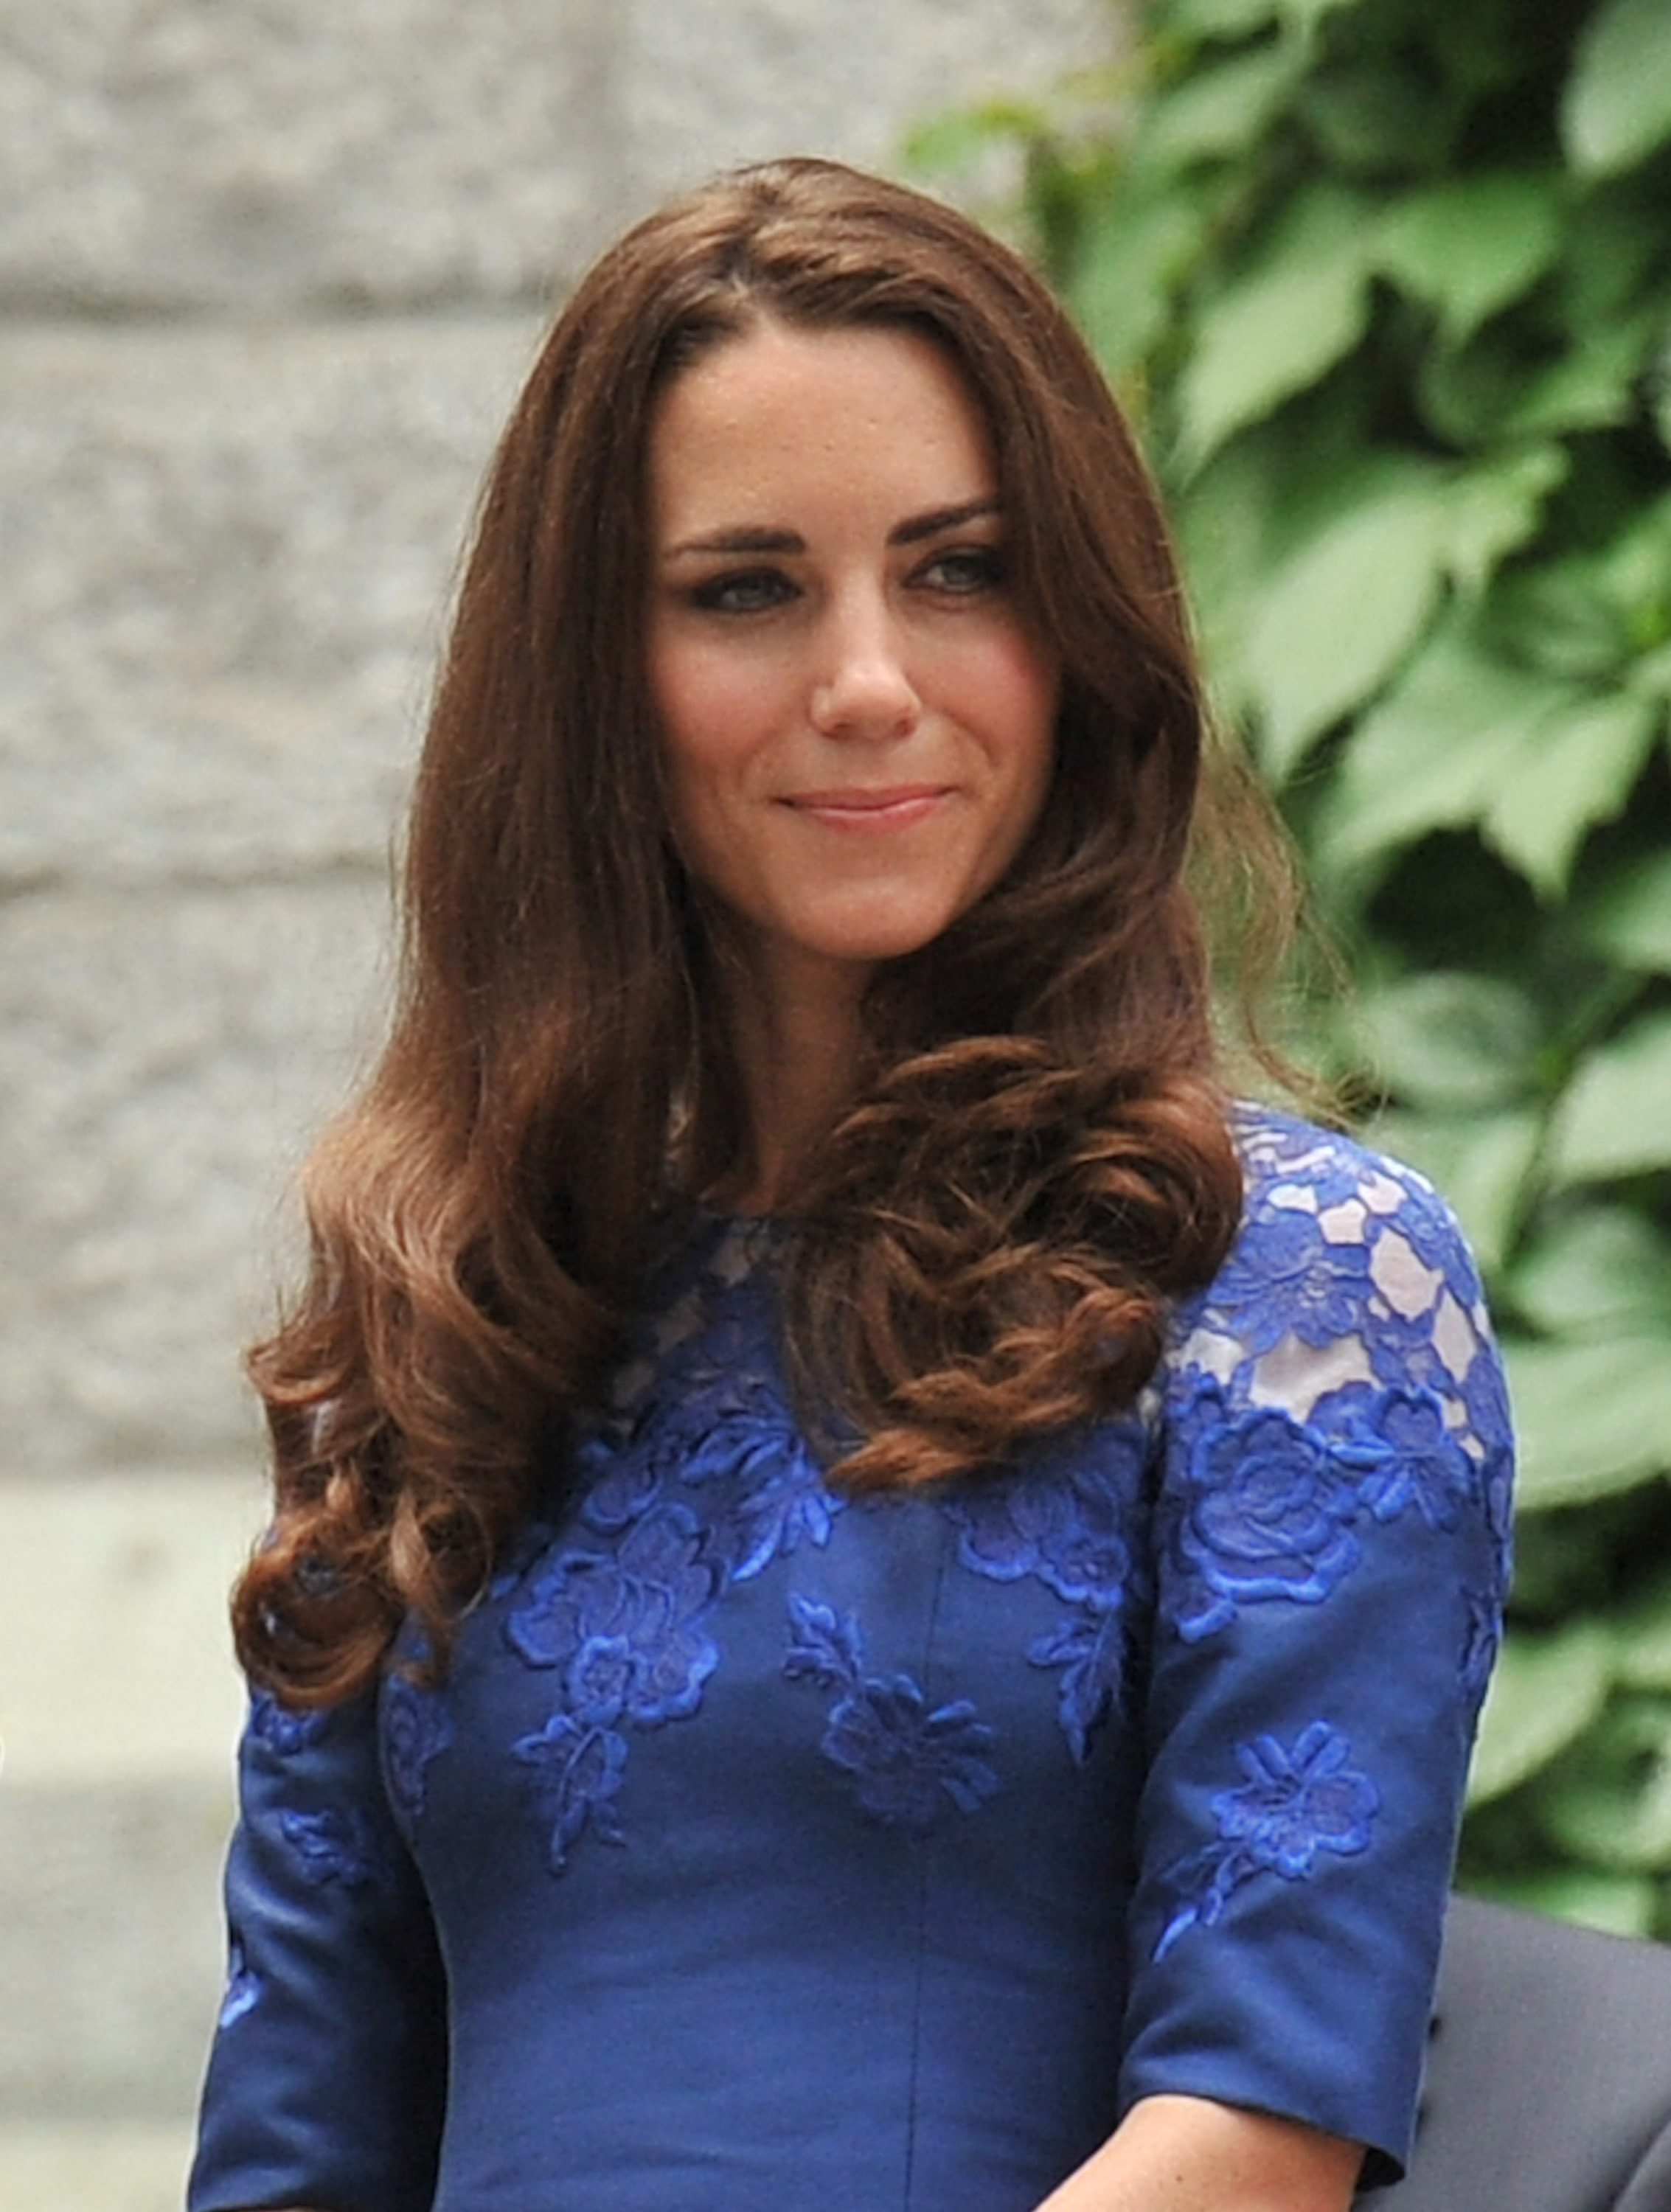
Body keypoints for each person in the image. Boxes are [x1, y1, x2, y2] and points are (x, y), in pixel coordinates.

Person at [187, 158, 1514, 2212]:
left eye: (959, 570)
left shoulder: (1293, 1285)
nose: (872, 681)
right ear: (591, 680)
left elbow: (1257, 2135)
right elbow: (293, 2145)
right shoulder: (447, 1326)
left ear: (1076, 635)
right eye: (748, 589)